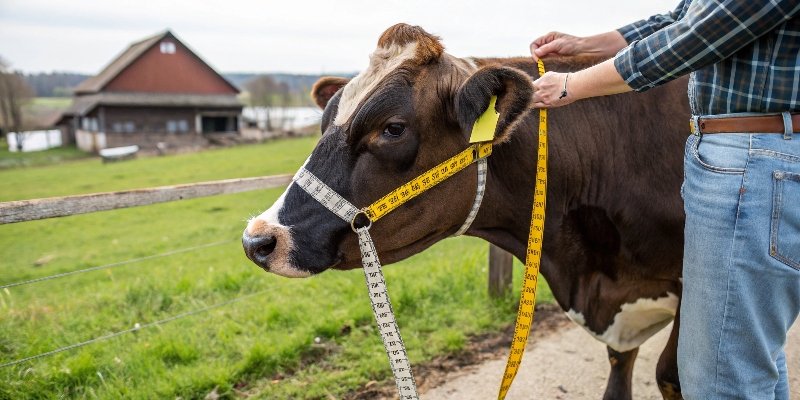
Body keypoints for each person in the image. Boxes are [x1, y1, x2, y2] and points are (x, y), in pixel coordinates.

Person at [529, 1, 800, 399]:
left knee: (720, 379)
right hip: (749, 153)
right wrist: (588, 44)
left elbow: (698, 36)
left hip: (752, 158)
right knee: (750, 353)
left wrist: (572, 86)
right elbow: (680, 19)